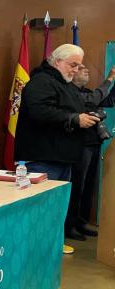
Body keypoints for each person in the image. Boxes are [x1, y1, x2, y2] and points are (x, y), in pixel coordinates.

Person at [14, 44, 100, 253]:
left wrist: (85, 117)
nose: (76, 70)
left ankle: (49, 244)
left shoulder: (65, 84)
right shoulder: (41, 81)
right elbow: (40, 111)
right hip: (43, 158)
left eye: (79, 65)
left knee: (55, 209)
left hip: (62, 157)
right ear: (57, 61)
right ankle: (35, 247)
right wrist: (74, 118)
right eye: (73, 64)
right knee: (40, 208)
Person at [66, 65, 115, 240]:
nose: (86, 69)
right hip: (79, 146)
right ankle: (69, 225)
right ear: (71, 74)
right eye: (80, 68)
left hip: (94, 144)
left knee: (89, 187)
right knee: (77, 186)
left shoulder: (86, 90)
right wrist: (110, 78)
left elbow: (108, 101)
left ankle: (81, 222)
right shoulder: (70, 92)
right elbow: (94, 99)